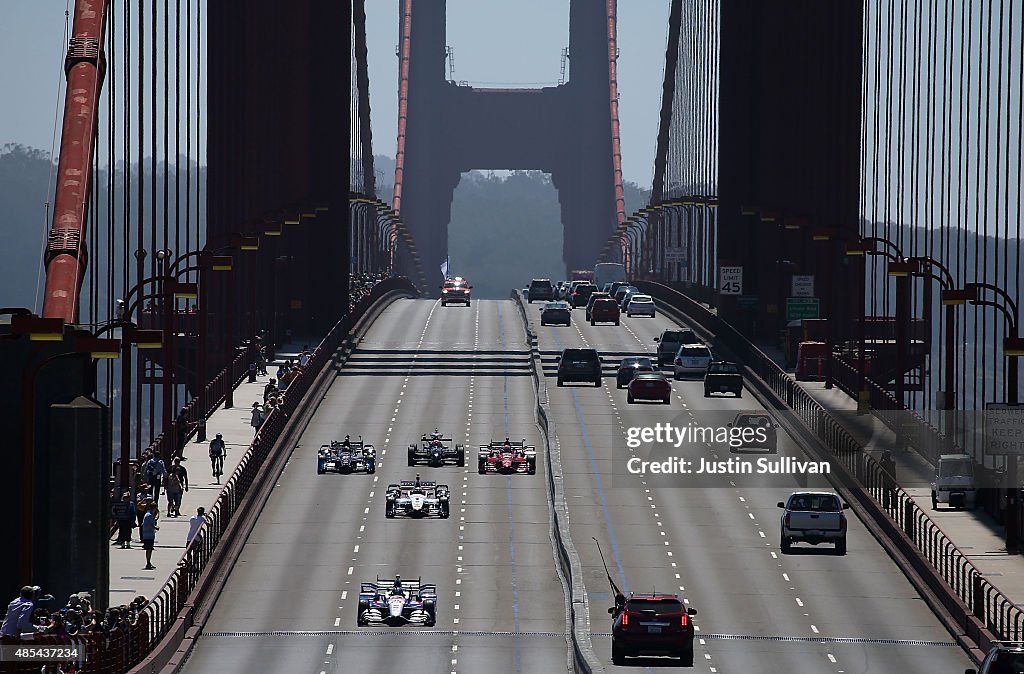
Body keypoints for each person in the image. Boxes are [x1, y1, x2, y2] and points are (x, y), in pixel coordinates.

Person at [141, 503, 159, 570]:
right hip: (148, 535)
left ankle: (149, 562)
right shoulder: (149, 515)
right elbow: (148, 524)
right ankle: (148, 563)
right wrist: (155, 527)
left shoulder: (149, 514)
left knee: (150, 549)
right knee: (149, 549)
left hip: (149, 534)